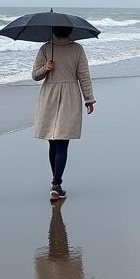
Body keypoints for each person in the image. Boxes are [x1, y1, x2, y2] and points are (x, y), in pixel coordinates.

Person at [32, 26, 96, 201]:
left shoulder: (46, 48)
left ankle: (55, 183)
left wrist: (44, 69)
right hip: (69, 96)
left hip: (50, 97)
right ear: (70, 32)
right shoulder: (73, 49)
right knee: (60, 143)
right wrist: (89, 99)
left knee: (53, 143)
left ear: (54, 31)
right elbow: (84, 75)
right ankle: (56, 184)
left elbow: (35, 76)